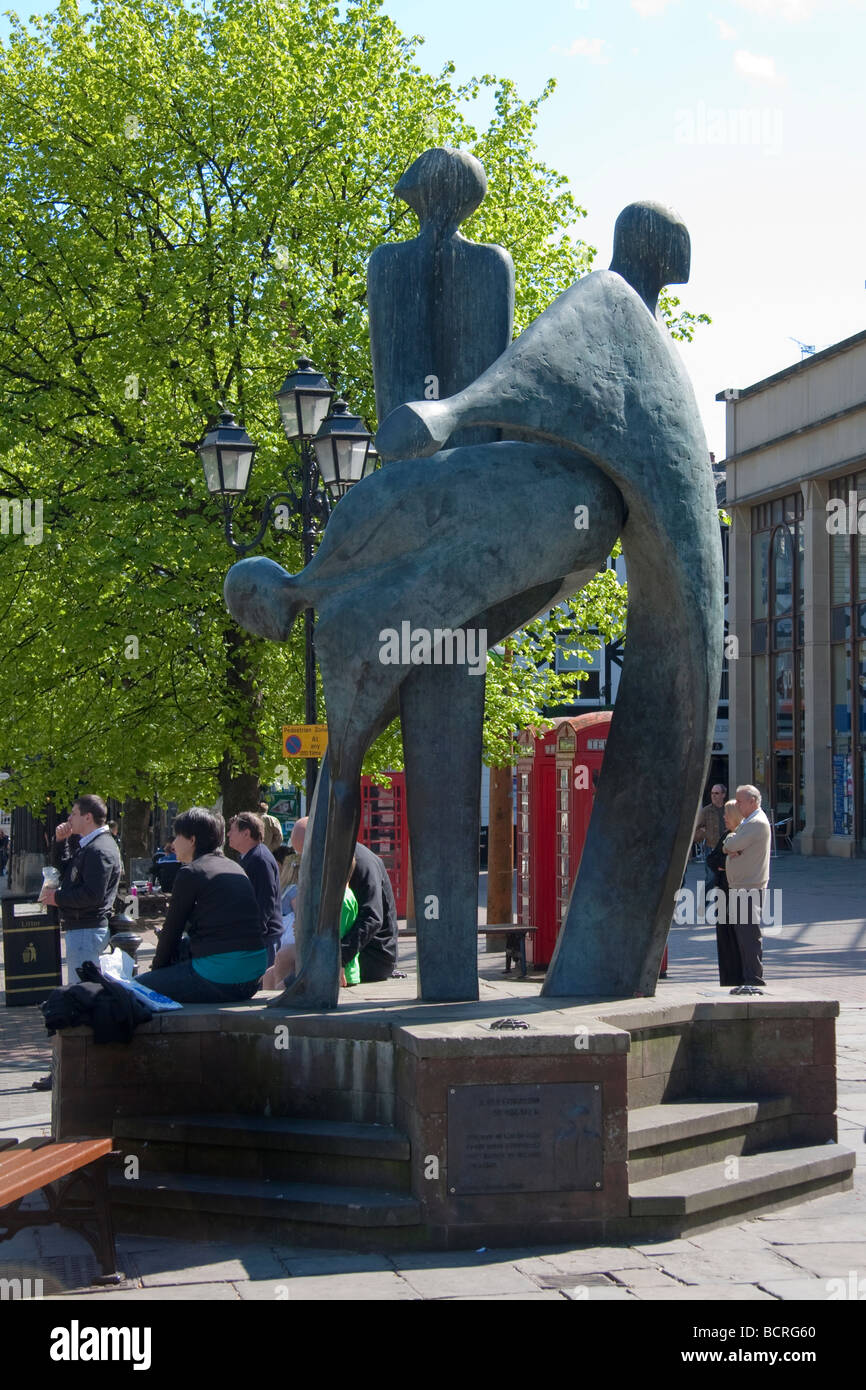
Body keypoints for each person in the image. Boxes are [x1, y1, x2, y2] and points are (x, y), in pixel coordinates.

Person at [136, 807, 266, 1002]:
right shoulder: (234, 866)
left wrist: (157, 973)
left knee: (135, 989)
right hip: (253, 977)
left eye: (177, 836)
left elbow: (172, 931)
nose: (173, 844)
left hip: (221, 978)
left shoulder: (191, 873)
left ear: (192, 840)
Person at [290, 818, 399, 983]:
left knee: (287, 979)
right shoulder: (333, 857)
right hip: (340, 946)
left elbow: (372, 918)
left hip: (373, 955)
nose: (307, 860)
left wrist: (339, 959)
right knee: (280, 963)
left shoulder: (362, 863)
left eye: (308, 853)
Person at [40, 795, 122, 986]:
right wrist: (61, 842)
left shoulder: (99, 849)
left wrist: (57, 898)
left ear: (88, 817)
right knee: (83, 990)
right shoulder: (91, 846)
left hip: (87, 930)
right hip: (83, 929)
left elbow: (92, 895)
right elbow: (68, 873)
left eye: (74, 813)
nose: (69, 818)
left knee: (83, 992)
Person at [722, 784, 772, 995]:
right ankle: (748, 976)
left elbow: (730, 844)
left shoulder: (756, 823)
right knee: (743, 935)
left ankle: (754, 979)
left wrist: (730, 844)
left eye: (740, 801)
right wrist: (731, 843)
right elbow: (730, 843)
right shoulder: (749, 822)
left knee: (749, 935)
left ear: (753, 801)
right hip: (742, 886)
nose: (738, 804)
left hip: (748, 887)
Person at [228, 812, 283, 967]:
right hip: (257, 938)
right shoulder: (250, 857)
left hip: (264, 939)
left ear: (246, 833)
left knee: (261, 988)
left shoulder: (259, 859)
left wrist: (254, 935)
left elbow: (266, 900)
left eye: (232, 830)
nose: (228, 834)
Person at [706, 798, 743, 987]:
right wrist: (726, 862)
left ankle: (738, 978)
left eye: (727, 814)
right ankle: (727, 980)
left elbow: (737, 862)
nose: (724, 817)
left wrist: (725, 863)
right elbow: (712, 860)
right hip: (722, 892)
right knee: (723, 937)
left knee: (736, 937)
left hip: (735, 893)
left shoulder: (742, 836)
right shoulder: (726, 835)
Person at [262, 846, 299, 990]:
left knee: (272, 972)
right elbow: (299, 914)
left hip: (280, 938)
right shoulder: (295, 890)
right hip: (290, 939)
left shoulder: (283, 888)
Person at [694, 784, 727, 890]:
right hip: (711, 849)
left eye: (716, 793)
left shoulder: (729, 809)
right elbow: (697, 830)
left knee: (725, 879)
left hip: (727, 849)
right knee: (711, 878)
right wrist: (703, 833)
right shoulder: (706, 811)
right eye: (712, 793)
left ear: (723, 795)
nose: (713, 795)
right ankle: (702, 905)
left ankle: (722, 905)